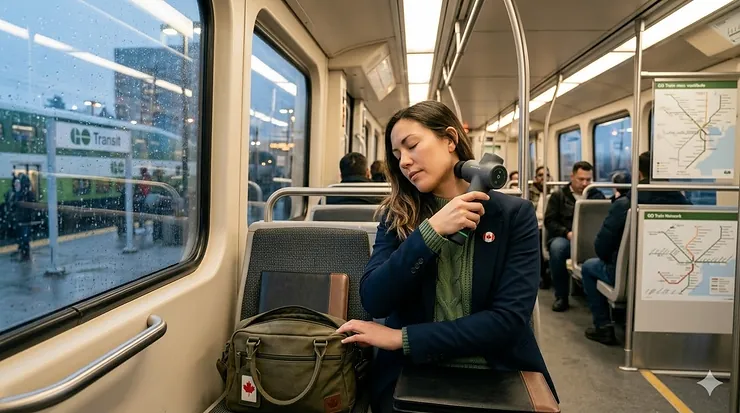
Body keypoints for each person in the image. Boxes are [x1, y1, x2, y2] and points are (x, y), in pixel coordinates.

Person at [334, 101, 557, 413]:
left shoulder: (513, 215)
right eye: (397, 156)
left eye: (412, 146)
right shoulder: (397, 216)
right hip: (411, 373)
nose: (405, 163)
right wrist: (430, 233)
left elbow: (507, 321)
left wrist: (402, 338)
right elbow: (374, 299)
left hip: (497, 370)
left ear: (450, 139)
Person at [582, 152, 690, 344]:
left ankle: (603, 327)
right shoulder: (686, 205)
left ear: (638, 174)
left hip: (629, 276)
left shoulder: (625, 205)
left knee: (589, 267)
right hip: (675, 275)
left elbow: (602, 247)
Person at [545, 161, 605, 312]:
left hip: (591, 238)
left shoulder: (597, 195)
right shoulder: (558, 196)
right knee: (557, 249)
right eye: (581, 179)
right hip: (566, 237)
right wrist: (566, 233)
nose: (585, 183)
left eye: (588, 180)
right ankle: (561, 296)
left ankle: (597, 300)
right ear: (572, 177)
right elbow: (550, 221)